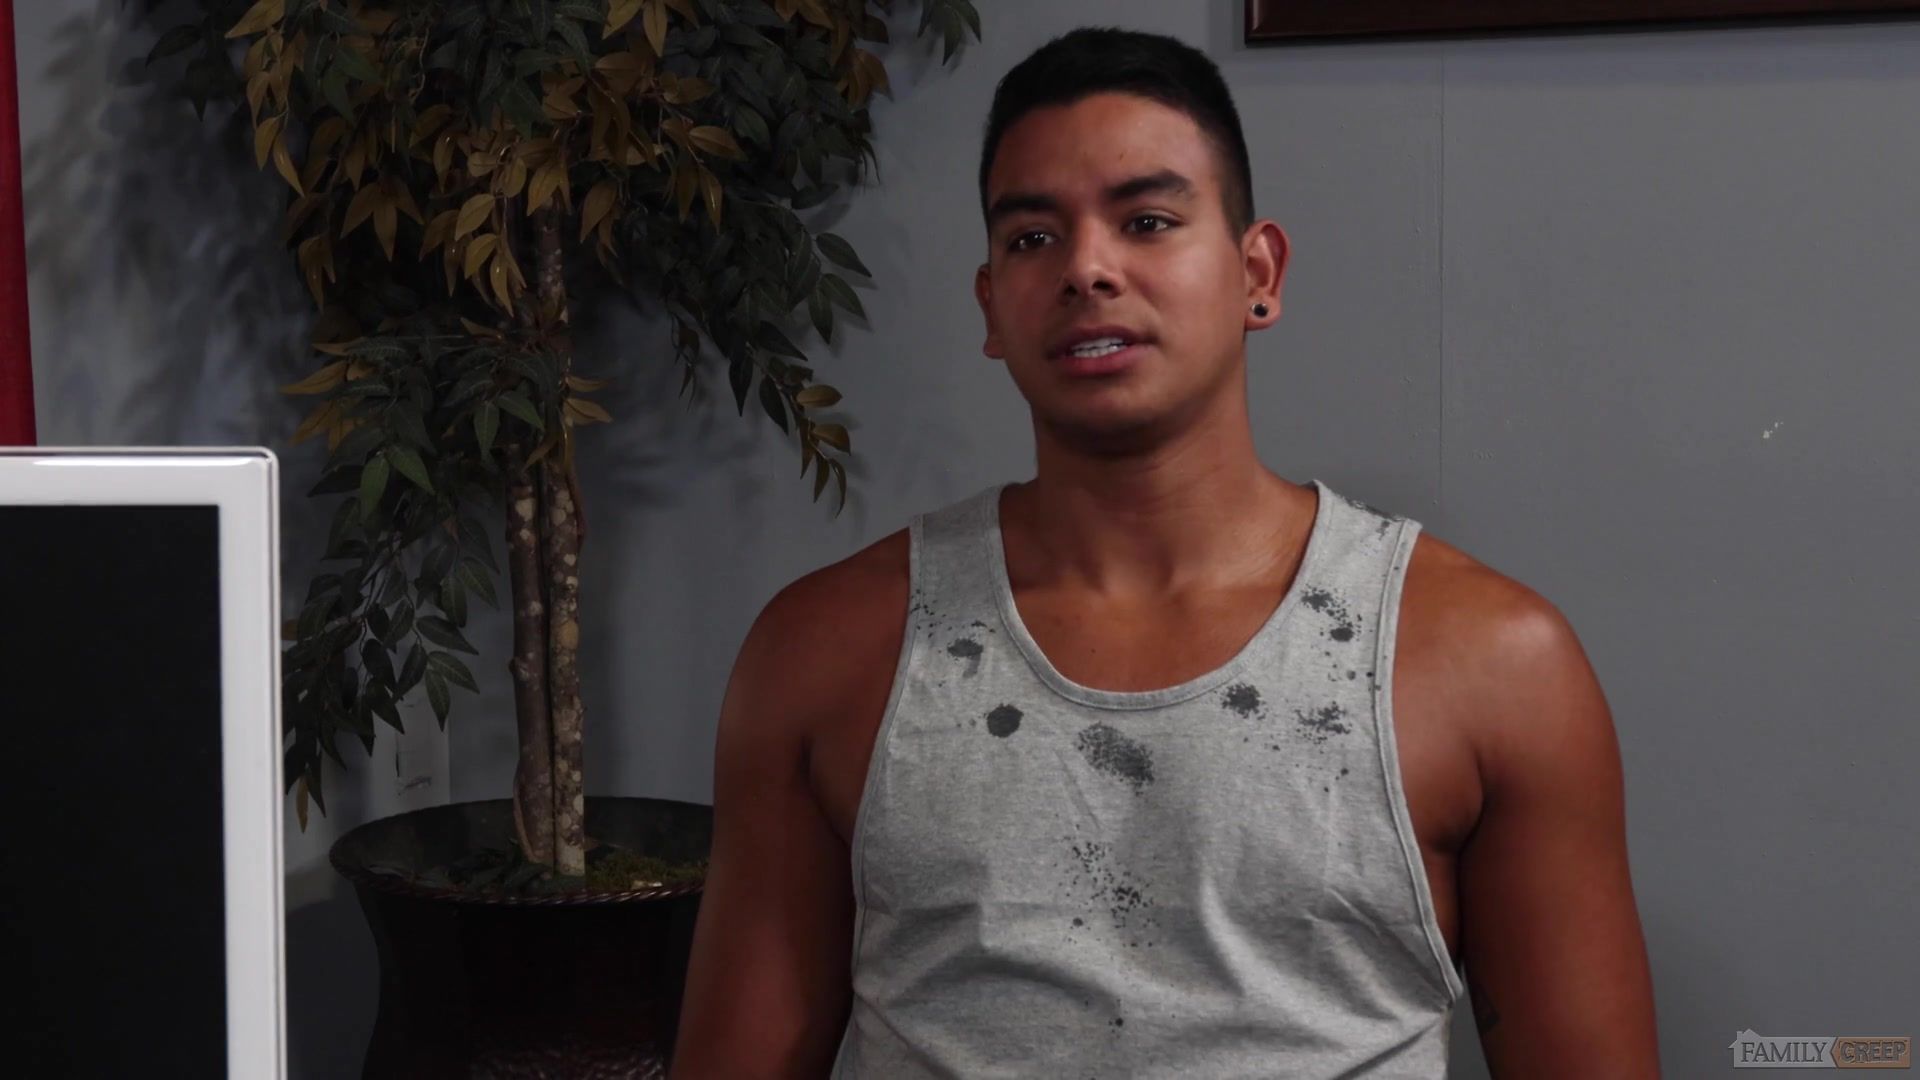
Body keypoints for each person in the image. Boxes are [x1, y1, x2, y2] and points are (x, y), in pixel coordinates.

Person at [672, 25, 1658, 1079]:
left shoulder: (1489, 660)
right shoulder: (827, 652)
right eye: (1032, 238)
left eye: (1147, 221)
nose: (1087, 269)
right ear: (991, 308)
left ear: (1257, 272)